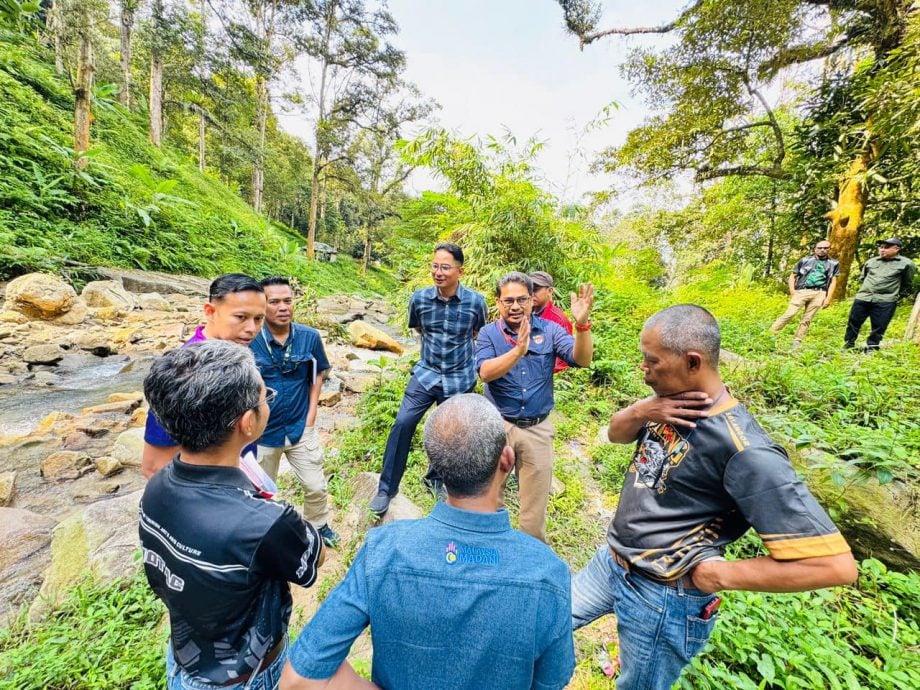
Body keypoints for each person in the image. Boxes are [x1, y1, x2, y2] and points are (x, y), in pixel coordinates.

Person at [571, 304, 857, 690]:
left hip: (662, 595)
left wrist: (717, 574)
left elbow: (834, 566)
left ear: (692, 361)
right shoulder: (670, 403)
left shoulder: (745, 450)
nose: (643, 368)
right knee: (546, 621)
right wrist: (643, 411)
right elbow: (617, 435)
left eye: (651, 360)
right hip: (611, 561)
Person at [280, 394, 576, 690]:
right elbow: (551, 681)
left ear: (437, 465)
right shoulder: (547, 573)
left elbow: (299, 678)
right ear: (507, 461)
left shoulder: (384, 551)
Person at [139, 340, 324, 690]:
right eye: (264, 395)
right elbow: (313, 559)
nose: (267, 400)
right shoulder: (266, 521)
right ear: (248, 423)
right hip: (248, 676)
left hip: (185, 661)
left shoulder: (157, 485)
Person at [369, 242, 488, 516]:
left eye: (445, 267)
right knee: (402, 424)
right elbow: (420, 329)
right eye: (435, 266)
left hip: (459, 378)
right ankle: (386, 489)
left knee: (451, 434)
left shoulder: (476, 303)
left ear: (460, 270)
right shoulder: (419, 299)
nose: (438, 272)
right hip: (426, 374)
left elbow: (478, 334)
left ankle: (435, 477)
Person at [476, 272, 594, 542]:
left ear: (532, 301)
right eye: (508, 301)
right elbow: (485, 372)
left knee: (533, 512)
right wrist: (518, 351)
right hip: (497, 426)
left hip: (537, 429)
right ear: (498, 302)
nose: (515, 306)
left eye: (521, 299)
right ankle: (489, 549)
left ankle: (528, 563)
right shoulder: (488, 334)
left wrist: (582, 324)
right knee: (488, 498)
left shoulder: (551, 331)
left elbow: (582, 359)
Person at [141, 273, 267, 479]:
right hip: (213, 494)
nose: (252, 329)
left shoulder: (239, 350)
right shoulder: (185, 370)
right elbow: (154, 465)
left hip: (241, 474)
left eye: (259, 319)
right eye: (241, 317)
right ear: (210, 311)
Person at [251, 277, 339, 548]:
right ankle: (264, 537)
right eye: (274, 302)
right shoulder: (250, 339)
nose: (282, 307)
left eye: (287, 301)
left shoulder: (309, 337)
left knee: (316, 486)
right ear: (263, 306)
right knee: (262, 492)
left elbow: (317, 374)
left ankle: (318, 526)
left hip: (301, 426)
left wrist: (312, 414)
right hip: (262, 432)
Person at [844, 237, 917, 351]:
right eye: (881, 247)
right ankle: (848, 345)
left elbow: (907, 283)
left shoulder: (906, 264)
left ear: (896, 249)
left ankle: (872, 348)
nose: (882, 250)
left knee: (879, 326)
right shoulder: (871, 261)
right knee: (853, 322)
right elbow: (864, 277)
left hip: (886, 300)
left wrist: (895, 296)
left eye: (887, 247)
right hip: (863, 297)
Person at [770, 240, 839, 346]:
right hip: (802, 290)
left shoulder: (834, 263)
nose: (822, 250)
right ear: (815, 249)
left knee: (807, 319)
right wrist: (793, 291)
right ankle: (771, 334)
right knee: (790, 313)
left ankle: (797, 341)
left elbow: (833, 281)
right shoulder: (805, 260)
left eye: (825, 248)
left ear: (829, 249)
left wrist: (828, 298)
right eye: (819, 248)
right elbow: (793, 276)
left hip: (819, 293)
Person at [530, 271, 573, 373]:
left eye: (535, 289)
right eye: (528, 289)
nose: (531, 294)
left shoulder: (558, 320)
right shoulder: (524, 313)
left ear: (549, 291)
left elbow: (564, 360)